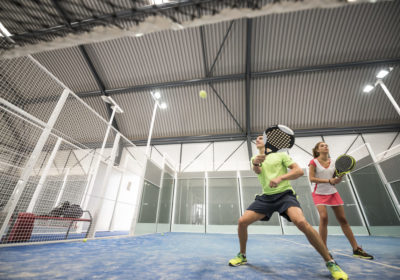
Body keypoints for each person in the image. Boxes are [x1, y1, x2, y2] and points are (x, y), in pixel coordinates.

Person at [229, 135, 349, 280]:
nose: (258, 138)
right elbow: (257, 171)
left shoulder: (281, 155)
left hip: (285, 195)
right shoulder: (254, 158)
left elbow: (298, 171)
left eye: (261, 137)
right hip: (267, 197)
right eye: (257, 138)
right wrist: (255, 163)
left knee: (301, 222)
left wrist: (281, 178)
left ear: (268, 141)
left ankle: (331, 262)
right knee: (242, 222)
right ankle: (242, 255)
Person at [309, 141, 373, 259]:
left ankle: (356, 249)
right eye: (322, 146)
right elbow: (311, 179)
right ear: (317, 150)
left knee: (343, 220)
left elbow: (336, 178)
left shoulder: (333, 162)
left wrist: (338, 178)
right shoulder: (313, 162)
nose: (325, 146)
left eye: (326, 145)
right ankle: (324, 249)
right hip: (318, 192)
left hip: (332, 192)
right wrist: (329, 181)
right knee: (324, 217)